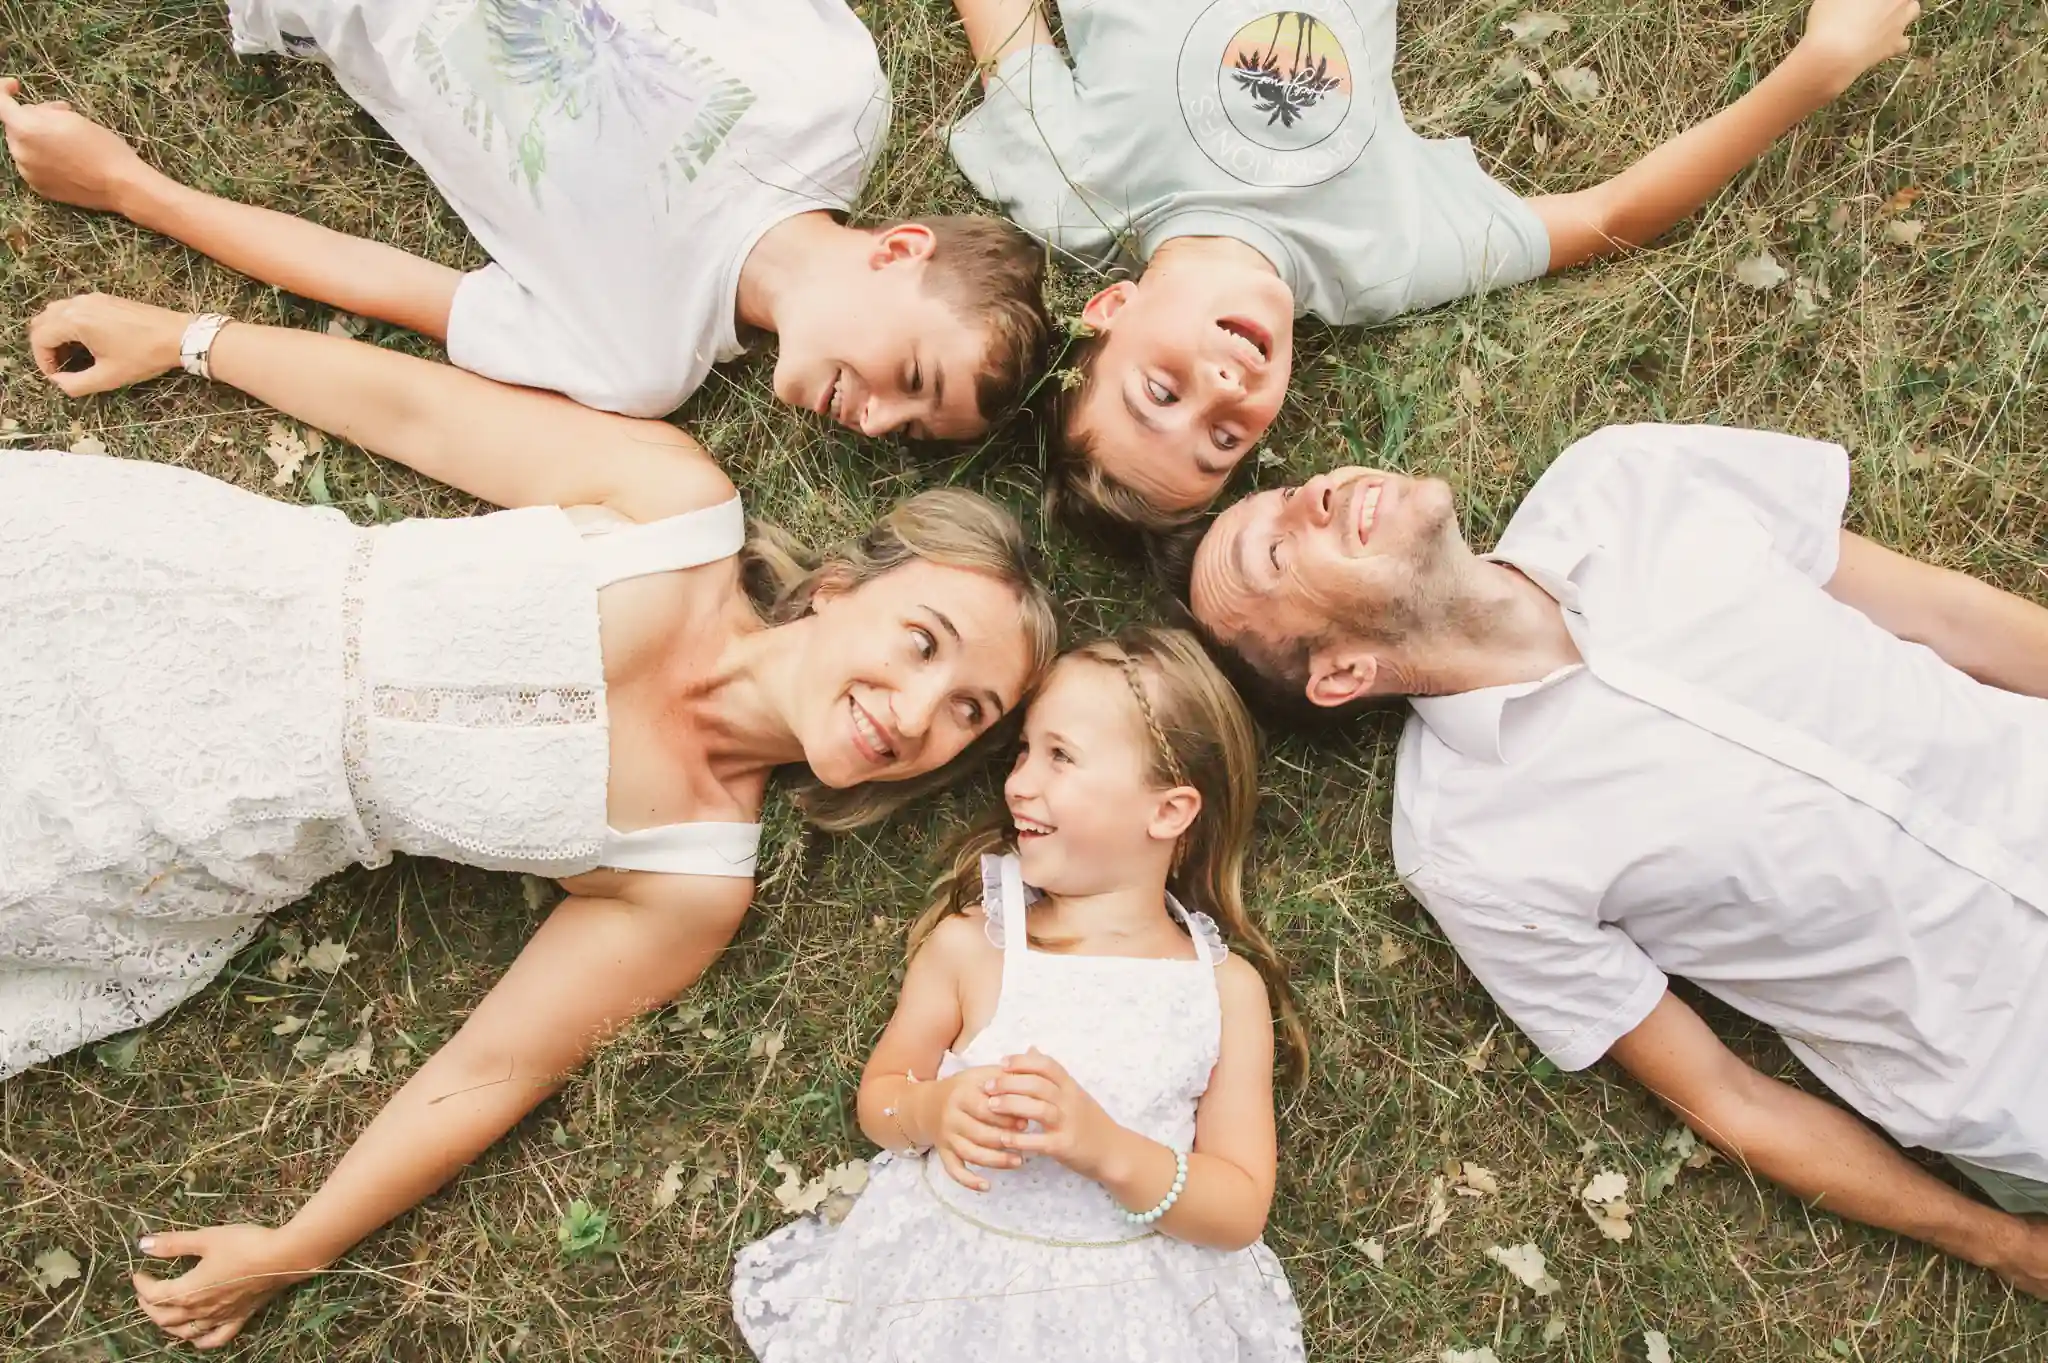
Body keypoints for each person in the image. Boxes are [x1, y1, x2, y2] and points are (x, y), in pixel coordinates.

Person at [2, 290, 1060, 1348]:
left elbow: (485, 1072)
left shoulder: (691, 875)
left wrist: (297, 1240)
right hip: (166, 591)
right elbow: (412, 411)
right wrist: (189, 342)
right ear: (836, 588)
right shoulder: (674, 510)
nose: (919, 713)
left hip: (179, 825)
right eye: (923, 642)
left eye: (969, 712)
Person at [1178, 421, 2048, 1294]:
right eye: (1278, 552)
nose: (1315, 493)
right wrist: (2000, 1243)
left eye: (1287, 491)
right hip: (2017, 1074)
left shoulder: (1628, 477)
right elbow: (1722, 1095)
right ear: (1339, 675)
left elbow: (1949, 616)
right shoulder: (1465, 845)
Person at [944, 0, 1919, 528]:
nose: (1223, 392)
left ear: (1110, 308)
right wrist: (1814, 70)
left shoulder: (1073, 192)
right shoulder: (1376, 266)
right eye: (1222, 443)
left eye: (1161, 392)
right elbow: (1611, 214)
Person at [0, 0, 1051, 439]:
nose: (875, 420)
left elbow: (378, 281)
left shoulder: (640, 362)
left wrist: (128, 186)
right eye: (914, 380)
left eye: (904, 435)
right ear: (900, 251)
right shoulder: (832, 99)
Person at [730, 627, 1308, 1361]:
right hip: (947, 1286)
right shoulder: (975, 946)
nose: (1019, 782)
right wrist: (931, 1109)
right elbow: (881, 1097)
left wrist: (1109, 1151)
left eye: (1060, 756)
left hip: (1128, 1309)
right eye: (1024, 750)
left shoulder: (1224, 989)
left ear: (1167, 810)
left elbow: (1238, 1207)